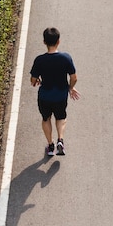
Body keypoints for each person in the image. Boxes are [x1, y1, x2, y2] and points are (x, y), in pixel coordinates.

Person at [30, 27, 80, 156]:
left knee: (46, 118)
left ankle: (50, 146)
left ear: (44, 42)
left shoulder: (39, 60)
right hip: (60, 95)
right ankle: (60, 140)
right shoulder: (66, 58)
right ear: (58, 41)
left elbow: (33, 80)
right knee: (61, 117)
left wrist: (38, 81)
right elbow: (74, 77)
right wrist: (70, 87)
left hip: (45, 96)